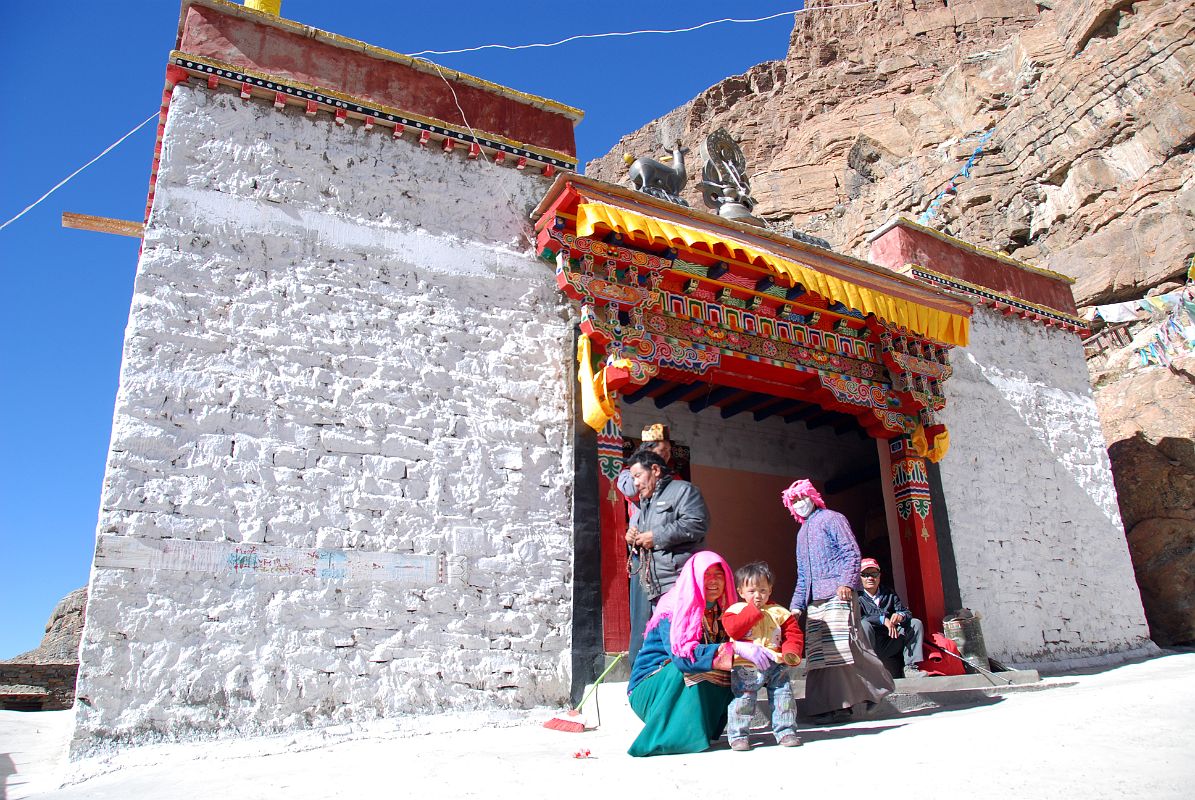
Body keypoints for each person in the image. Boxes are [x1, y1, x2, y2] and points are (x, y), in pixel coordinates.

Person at [627, 551, 778, 757]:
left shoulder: (723, 609)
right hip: (652, 686)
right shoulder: (673, 607)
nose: (714, 581)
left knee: (735, 671)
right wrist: (735, 649)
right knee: (695, 667)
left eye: (719, 575)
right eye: (707, 575)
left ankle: (700, 732)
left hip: (676, 679)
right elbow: (682, 657)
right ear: (694, 577)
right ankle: (672, 737)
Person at [784, 478, 893, 724]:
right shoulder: (802, 533)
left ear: (813, 496)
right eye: (794, 501)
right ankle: (832, 706)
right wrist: (797, 605)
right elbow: (803, 574)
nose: (800, 503)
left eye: (802, 497)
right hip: (815, 602)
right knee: (820, 655)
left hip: (838, 593)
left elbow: (851, 552)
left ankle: (877, 688)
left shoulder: (833, 518)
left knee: (846, 648)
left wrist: (846, 582)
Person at [721, 561, 804, 750]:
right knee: (744, 698)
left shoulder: (780, 612)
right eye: (752, 591)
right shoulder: (735, 610)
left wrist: (790, 651)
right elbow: (733, 630)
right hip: (747, 664)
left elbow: (793, 634)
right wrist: (753, 610)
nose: (758, 595)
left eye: (763, 590)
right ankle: (738, 735)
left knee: (783, 695)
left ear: (770, 590)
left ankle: (786, 731)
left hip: (776, 661)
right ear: (741, 591)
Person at [616, 424, 677, 662]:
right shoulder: (629, 474)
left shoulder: (673, 481)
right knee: (643, 611)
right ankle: (640, 662)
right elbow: (635, 490)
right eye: (662, 451)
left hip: (667, 552)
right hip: (643, 555)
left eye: (668, 452)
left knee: (668, 609)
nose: (666, 457)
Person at [624, 448, 709, 608]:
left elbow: (697, 523)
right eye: (632, 478)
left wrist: (656, 537)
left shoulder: (683, 490)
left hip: (679, 581)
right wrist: (633, 540)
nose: (635, 483)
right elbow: (646, 538)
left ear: (655, 470)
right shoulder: (646, 503)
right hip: (655, 586)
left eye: (637, 476)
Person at [858, 558, 928, 678]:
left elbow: (905, 612)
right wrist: (881, 619)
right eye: (865, 575)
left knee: (915, 623)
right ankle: (868, 670)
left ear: (879, 576)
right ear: (860, 577)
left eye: (874, 574)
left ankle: (910, 667)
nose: (870, 578)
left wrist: (900, 616)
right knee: (863, 625)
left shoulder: (888, 593)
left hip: (890, 639)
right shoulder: (857, 596)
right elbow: (858, 617)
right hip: (870, 641)